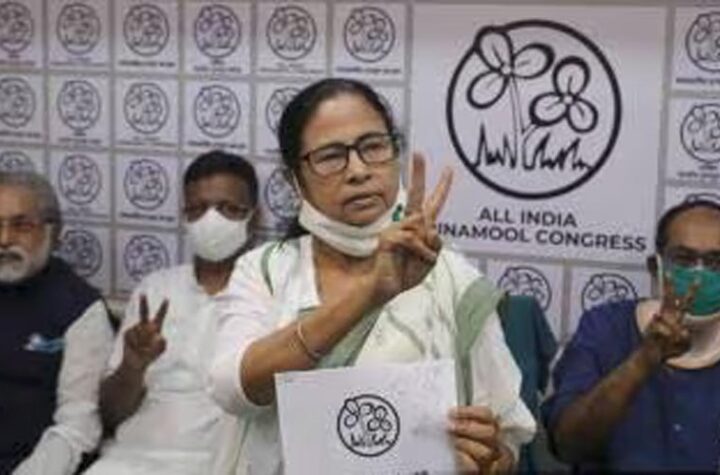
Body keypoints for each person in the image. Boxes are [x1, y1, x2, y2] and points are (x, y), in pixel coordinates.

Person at [209, 78, 535, 474]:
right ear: (296, 179)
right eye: (331, 156)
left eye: (374, 147)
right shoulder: (268, 270)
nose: (358, 170)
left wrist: (491, 458)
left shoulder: (453, 279)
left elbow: (506, 438)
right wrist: (370, 292)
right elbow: (231, 389)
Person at [85, 151, 259, 475]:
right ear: (184, 217)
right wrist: (133, 365)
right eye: (197, 209)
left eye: (227, 208)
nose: (211, 220)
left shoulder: (267, 294)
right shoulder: (155, 289)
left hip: (218, 465)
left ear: (254, 217)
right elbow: (109, 415)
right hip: (127, 460)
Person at [544, 200, 720, 471]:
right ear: (655, 267)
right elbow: (568, 445)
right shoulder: (605, 327)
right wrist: (644, 360)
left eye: (715, 263)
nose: (699, 276)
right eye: (684, 260)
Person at [0, 171, 114, 475]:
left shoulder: (80, 309)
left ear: (52, 232)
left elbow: (78, 425)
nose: (4, 239)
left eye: (21, 226)